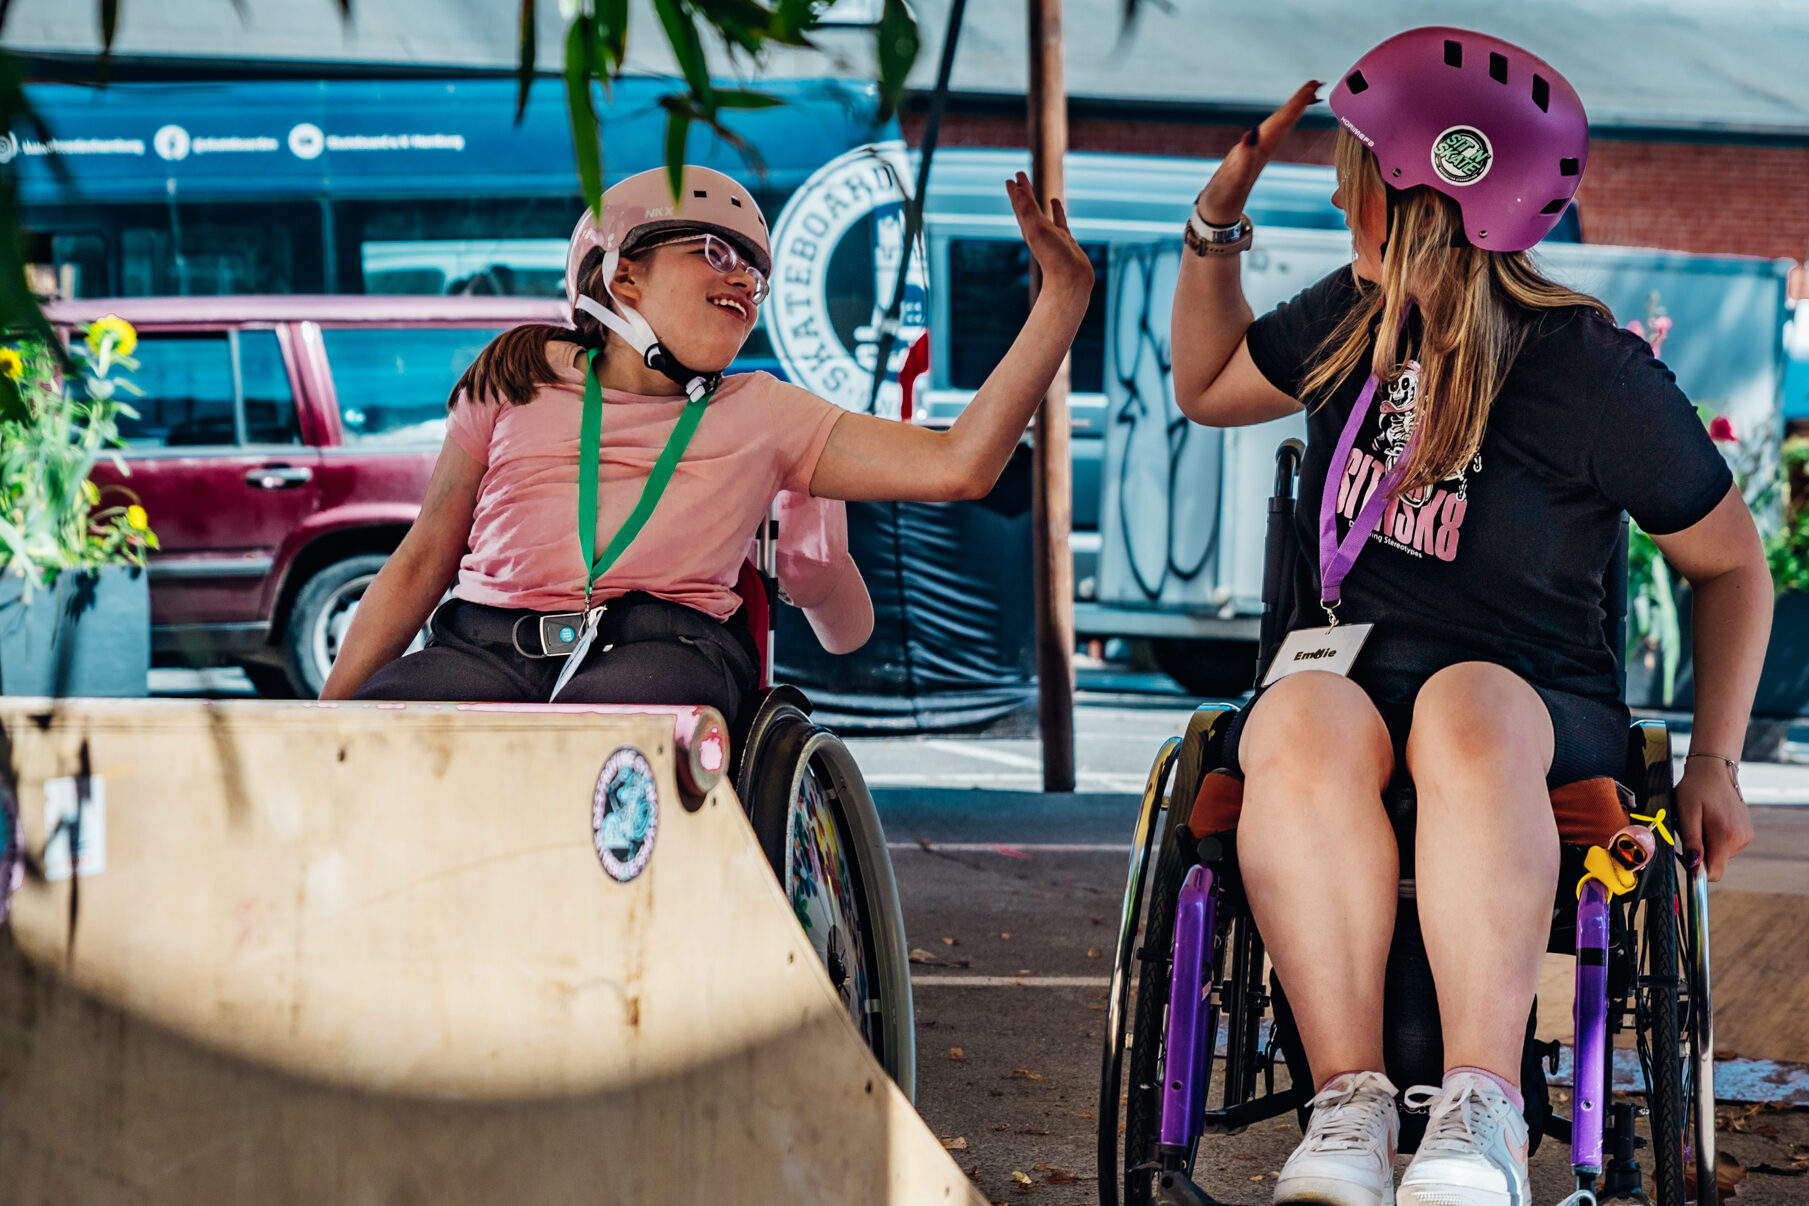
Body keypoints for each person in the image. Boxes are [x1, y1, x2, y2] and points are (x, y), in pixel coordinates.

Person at [1169, 27, 1769, 1206]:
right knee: (1295, 719)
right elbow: (1207, 387)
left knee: (1465, 704)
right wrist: (1215, 229)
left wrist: (1715, 760)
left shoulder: (1590, 370)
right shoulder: (1354, 315)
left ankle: (1481, 1107)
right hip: (1342, 695)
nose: (1341, 194)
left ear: (1408, 196)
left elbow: (1735, 566)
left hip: (1528, 714)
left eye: (1356, 175)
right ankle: (1346, 1107)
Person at [320, 165, 1092, 716]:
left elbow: (960, 465)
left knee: (612, 733)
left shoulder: (765, 410)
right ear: (623, 278)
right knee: (388, 729)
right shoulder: (517, 373)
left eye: (754, 275)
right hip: (484, 644)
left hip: (663, 649)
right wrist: (324, 724)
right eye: (714, 254)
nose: (745, 284)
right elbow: (424, 558)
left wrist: (1062, 299)